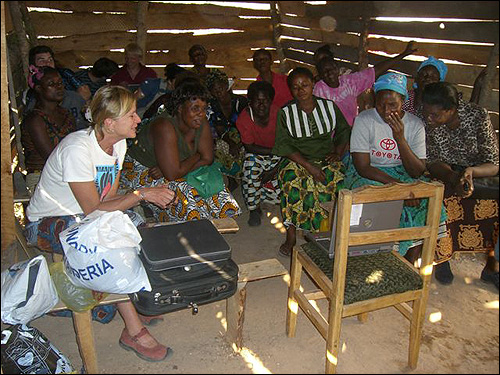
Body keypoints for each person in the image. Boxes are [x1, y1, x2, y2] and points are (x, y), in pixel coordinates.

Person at [25, 85, 176, 362]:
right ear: (109, 122)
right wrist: (141, 195)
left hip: (83, 214)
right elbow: (94, 208)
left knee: (141, 230)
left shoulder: (118, 143)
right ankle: (133, 329)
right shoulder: (77, 149)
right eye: (130, 115)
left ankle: (131, 296)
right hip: (48, 221)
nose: (138, 119)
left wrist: (135, 207)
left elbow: (109, 197)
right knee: (107, 245)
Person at [344, 72, 447, 261]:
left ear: (403, 102)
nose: (385, 110)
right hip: (371, 172)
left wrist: (400, 139)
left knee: (428, 201)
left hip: (402, 172)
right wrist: (399, 189)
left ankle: (409, 260)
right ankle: (376, 256)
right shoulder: (364, 120)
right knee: (377, 197)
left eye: (392, 105)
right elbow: (363, 167)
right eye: (380, 104)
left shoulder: (415, 125)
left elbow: (416, 171)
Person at [120, 79, 241, 222]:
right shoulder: (164, 126)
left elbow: (208, 159)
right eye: (195, 108)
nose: (201, 114)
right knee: (185, 196)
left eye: (204, 108)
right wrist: (197, 156)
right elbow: (173, 174)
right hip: (142, 170)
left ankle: (208, 227)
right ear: (179, 108)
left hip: (174, 168)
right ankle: (192, 228)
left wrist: (178, 166)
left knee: (217, 192)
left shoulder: (201, 122)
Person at [422, 81, 499, 287]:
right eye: (427, 113)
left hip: (478, 171)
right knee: (439, 196)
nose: (428, 119)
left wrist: (470, 173)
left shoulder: (478, 116)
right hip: (447, 173)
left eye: (435, 115)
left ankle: (493, 267)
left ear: (452, 110)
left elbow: (493, 164)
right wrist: (454, 178)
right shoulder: (428, 120)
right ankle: (442, 260)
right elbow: (432, 161)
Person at [273, 67, 350, 257]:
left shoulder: (329, 106)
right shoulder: (286, 112)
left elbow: (343, 131)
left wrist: (337, 152)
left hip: (325, 157)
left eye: (305, 85)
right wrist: (309, 167)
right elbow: (284, 145)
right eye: (295, 87)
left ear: (313, 84)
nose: (301, 90)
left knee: (337, 181)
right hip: (297, 159)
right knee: (292, 183)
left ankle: (326, 232)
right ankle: (291, 235)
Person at [313, 41, 417, 128]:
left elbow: (376, 70)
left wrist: (403, 55)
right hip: (332, 137)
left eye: (331, 68)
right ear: (319, 72)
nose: (329, 73)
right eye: (324, 70)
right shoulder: (318, 89)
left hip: (352, 131)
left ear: (336, 67)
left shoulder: (349, 82)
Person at [21, 66, 76, 194]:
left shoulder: (66, 114)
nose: (58, 87)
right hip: (41, 177)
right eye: (51, 84)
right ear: (39, 88)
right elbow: (51, 158)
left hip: (66, 173)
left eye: (60, 83)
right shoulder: (35, 120)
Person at [236, 81, 281, 227]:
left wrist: (273, 170)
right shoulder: (244, 118)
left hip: (281, 153)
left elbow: (287, 145)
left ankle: (264, 195)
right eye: (257, 101)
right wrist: (272, 152)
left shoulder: (279, 114)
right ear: (250, 102)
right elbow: (249, 147)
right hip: (258, 153)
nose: (261, 105)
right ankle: (254, 209)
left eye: (265, 101)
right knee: (250, 166)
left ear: (271, 101)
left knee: (280, 192)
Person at [24, 46, 90, 130]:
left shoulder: (65, 74)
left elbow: (84, 91)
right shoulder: (33, 98)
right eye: (42, 60)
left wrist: (80, 99)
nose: (47, 63)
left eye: (50, 60)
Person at [206, 69, 248, 191]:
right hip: (227, 136)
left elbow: (249, 127)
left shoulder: (240, 102)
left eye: (220, 87)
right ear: (211, 92)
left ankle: (245, 179)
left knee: (246, 150)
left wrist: (240, 143)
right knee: (218, 147)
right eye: (214, 89)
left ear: (226, 85)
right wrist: (231, 143)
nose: (218, 91)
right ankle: (231, 180)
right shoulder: (213, 105)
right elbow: (219, 129)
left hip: (245, 135)